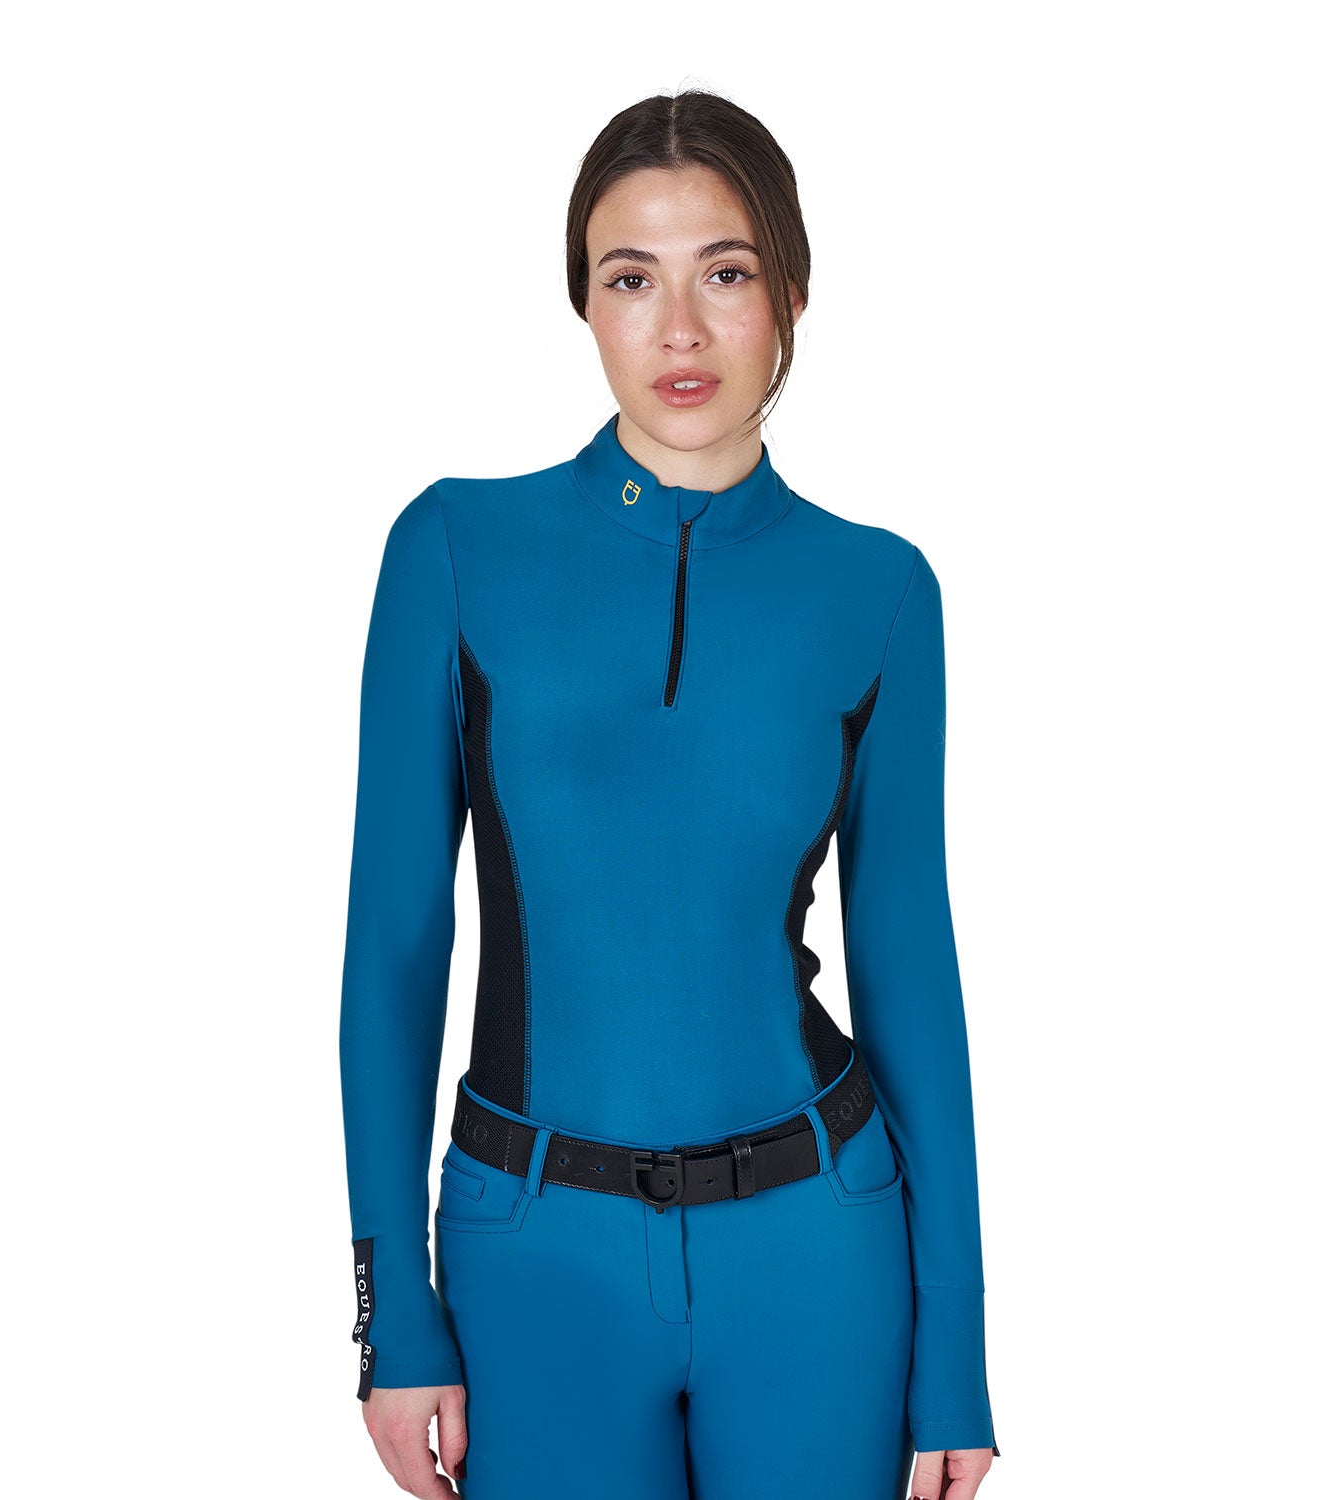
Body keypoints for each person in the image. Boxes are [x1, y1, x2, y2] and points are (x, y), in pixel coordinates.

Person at [339, 88, 1000, 1500]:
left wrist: (956, 1348)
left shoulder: (882, 590)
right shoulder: (453, 549)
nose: (681, 330)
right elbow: (394, 947)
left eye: (728, 273)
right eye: (632, 279)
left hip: (819, 1249)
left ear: (793, 292)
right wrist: (394, 1314)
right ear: (583, 302)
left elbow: (910, 965)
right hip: (533, 1259)